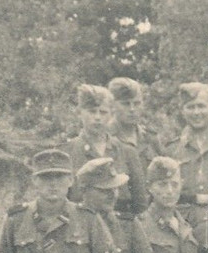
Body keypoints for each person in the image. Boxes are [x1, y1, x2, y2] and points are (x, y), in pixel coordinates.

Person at [62, 84, 147, 214]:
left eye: (103, 112)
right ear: (79, 113)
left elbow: (140, 202)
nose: (97, 117)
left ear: (111, 115)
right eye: (92, 111)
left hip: (120, 225)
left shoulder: (127, 151)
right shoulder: (67, 151)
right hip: (82, 224)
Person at [141, 157, 202, 253]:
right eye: (162, 184)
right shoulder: (142, 225)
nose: (169, 191)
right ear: (149, 187)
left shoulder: (186, 225)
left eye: (174, 184)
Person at [108, 76, 167, 178]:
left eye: (137, 103)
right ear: (112, 105)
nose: (132, 109)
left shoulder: (150, 138)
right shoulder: (105, 137)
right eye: (126, 104)